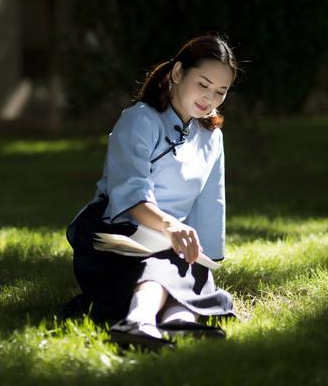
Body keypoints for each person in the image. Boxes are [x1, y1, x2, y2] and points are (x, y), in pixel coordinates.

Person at [65, 34, 238, 348]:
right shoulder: (138, 120)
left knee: (191, 262)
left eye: (220, 91)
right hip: (114, 231)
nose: (210, 98)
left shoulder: (212, 137)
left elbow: (210, 203)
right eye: (203, 84)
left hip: (169, 236)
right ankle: (138, 321)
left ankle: (177, 323)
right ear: (177, 73)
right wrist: (172, 228)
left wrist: (203, 256)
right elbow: (131, 194)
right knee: (164, 257)